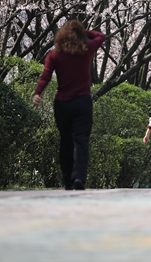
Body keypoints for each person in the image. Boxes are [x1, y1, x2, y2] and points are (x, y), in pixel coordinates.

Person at [32, 20, 106, 190]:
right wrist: (81, 32)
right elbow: (101, 36)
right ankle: (79, 177)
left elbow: (46, 76)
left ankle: (67, 181)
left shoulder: (54, 54)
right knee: (81, 141)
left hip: (62, 104)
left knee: (66, 142)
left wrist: (38, 92)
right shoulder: (86, 49)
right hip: (82, 102)